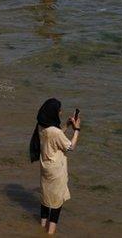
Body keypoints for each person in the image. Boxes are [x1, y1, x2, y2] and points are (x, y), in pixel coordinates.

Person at [30, 98, 81, 235]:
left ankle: (41, 228)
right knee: (57, 203)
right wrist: (77, 129)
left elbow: (54, 137)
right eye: (59, 109)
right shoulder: (55, 132)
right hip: (56, 171)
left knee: (46, 200)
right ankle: (50, 233)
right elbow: (71, 147)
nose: (60, 111)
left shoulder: (42, 126)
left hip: (45, 167)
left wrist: (66, 125)